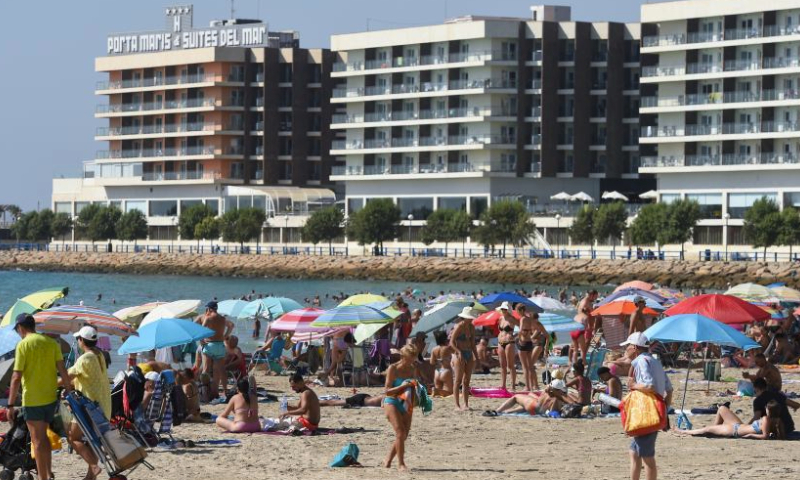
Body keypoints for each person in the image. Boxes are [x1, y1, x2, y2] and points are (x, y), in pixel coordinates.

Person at [7, 314, 72, 480]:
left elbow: (15, 377)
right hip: (51, 399)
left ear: (21, 327)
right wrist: (69, 391)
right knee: (43, 438)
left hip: (33, 401)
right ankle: (48, 474)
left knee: (37, 441)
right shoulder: (51, 343)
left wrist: (10, 405)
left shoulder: (23, 345)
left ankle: (44, 477)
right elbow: (63, 370)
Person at [622, 332, 673, 480]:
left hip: (646, 414)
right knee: (634, 452)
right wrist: (664, 411)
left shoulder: (641, 361)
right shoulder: (654, 361)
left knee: (647, 457)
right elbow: (669, 389)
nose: (626, 349)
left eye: (628, 346)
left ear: (635, 347)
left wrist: (633, 385)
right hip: (655, 412)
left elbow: (649, 385)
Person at [64, 326, 111, 480]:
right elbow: (87, 376)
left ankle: (93, 466)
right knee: (92, 441)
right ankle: (90, 477)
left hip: (89, 407)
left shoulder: (85, 358)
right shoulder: (100, 355)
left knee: (73, 437)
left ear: (82, 340)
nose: (77, 341)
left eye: (78, 338)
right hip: (102, 406)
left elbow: (67, 377)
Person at [383, 344, 420, 471]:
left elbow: (413, 386)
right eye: (410, 358)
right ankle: (401, 464)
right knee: (400, 432)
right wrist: (402, 386)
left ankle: (388, 459)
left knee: (404, 435)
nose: (412, 361)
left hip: (407, 401)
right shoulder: (393, 368)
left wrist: (414, 402)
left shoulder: (412, 368)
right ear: (403, 356)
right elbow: (387, 391)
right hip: (392, 400)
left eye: (413, 358)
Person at [675, 402, 787, 440]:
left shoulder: (766, 418)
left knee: (706, 429)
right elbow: (782, 436)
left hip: (735, 430)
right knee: (722, 408)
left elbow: (765, 436)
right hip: (738, 425)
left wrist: (749, 436)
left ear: (768, 411)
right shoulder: (780, 421)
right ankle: (715, 429)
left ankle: (683, 431)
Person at [196, 301, 234, 400]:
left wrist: (201, 341)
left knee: (206, 370)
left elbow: (201, 331)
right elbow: (231, 326)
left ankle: (205, 392)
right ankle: (223, 391)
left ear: (209, 309)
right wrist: (225, 336)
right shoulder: (222, 318)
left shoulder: (208, 318)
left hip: (209, 344)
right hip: (220, 345)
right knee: (220, 370)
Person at [489, 379, 571, 416]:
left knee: (515, 397)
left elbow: (551, 411)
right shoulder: (557, 396)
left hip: (535, 407)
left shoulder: (548, 391)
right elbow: (552, 410)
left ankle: (497, 411)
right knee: (530, 395)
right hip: (538, 409)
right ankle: (506, 412)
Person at [450, 307, 478, 411]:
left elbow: (473, 344)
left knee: (466, 381)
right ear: (465, 317)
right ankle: (457, 405)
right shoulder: (459, 327)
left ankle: (466, 404)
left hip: (469, 353)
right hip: (459, 354)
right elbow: (451, 343)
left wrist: (477, 358)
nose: (471, 319)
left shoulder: (471, 327)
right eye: (470, 318)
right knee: (458, 381)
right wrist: (458, 351)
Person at [516, 305, 548, 391]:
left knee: (526, 366)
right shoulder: (530, 320)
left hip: (529, 344)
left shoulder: (524, 319)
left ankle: (529, 386)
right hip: (530, 344)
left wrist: (517, 337)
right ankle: (535, 385)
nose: (517, 313)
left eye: (517, 311)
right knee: (530, 366)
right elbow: (537, 329)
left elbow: (521, 330)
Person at [571, 290, 599, 365]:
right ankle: (583, 361)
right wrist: (591, 327)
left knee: (576, 347)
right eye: (595, 297)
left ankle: (573, 361)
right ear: (591, 295)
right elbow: (590, 314)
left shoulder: (584, 301)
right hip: (584, 326)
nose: (595, 299)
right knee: (585, 345)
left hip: (578, 326)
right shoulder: (586, 303)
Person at [496, 301, 518, 390]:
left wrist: (515, 336)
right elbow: (501, 331)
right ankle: (503, 385)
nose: (503, 310)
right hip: (500, 343)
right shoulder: (500, 318)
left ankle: (513, 385)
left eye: (505, 309)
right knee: (502, 365)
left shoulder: (512, 319)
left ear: (508, 309)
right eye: (502, 309)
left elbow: (523, 327)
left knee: (510, 365)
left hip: (509, 342)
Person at [429, 330, 455, 396]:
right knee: (449, 392)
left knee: (439, 391)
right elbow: (457, 352)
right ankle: (436, 390)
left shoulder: (434, 349)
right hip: (446, 371)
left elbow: (431, 362)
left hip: (437, 371)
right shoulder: (448, 348)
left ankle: (436, 390)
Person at [320, 393, 385, 408]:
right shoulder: (390, 395)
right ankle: (317, 403)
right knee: (331, 403)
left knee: (333, 402)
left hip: (365, 398)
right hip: (360, 400)